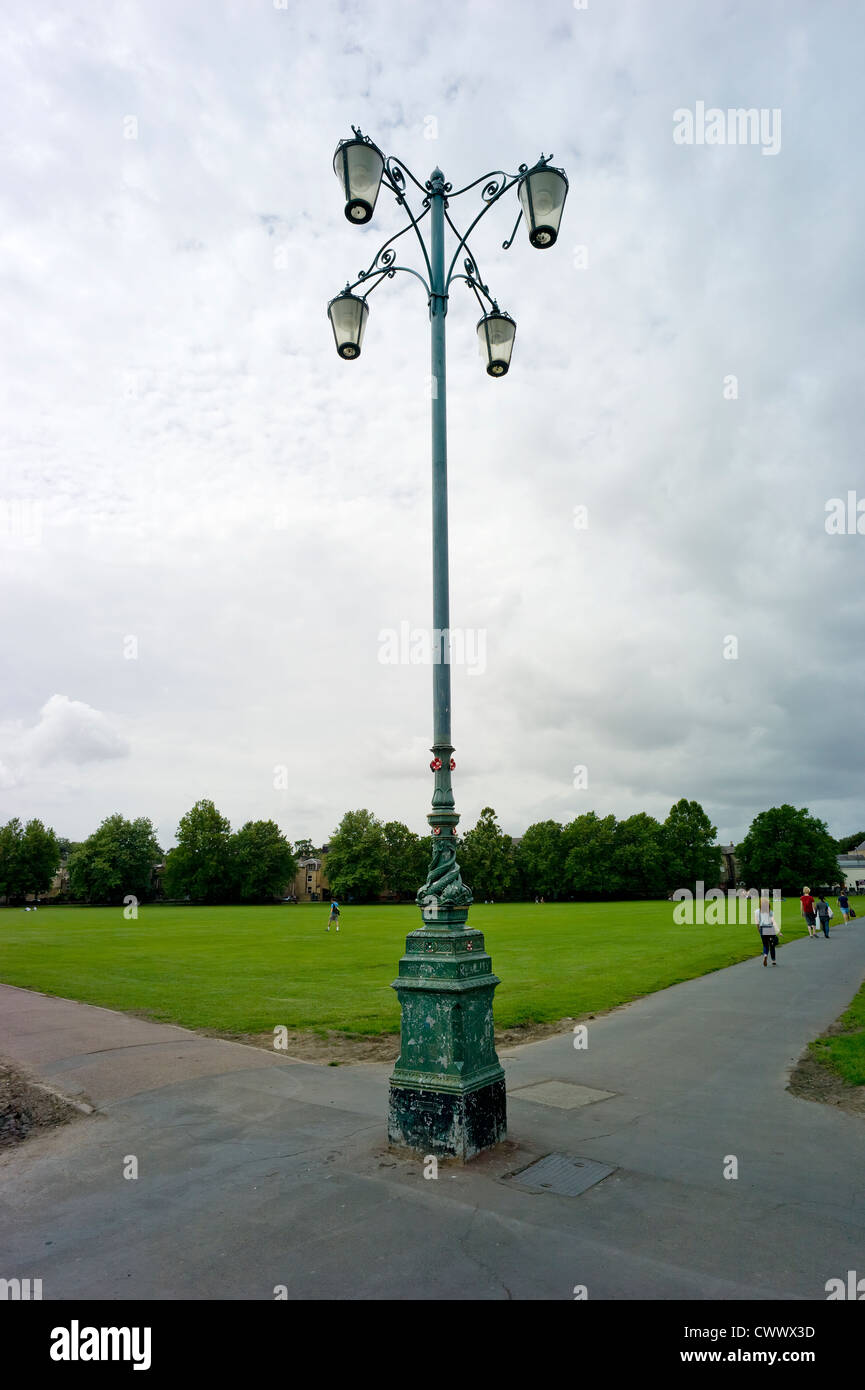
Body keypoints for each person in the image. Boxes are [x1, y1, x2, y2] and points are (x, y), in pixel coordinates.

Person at [757, 895, 781, 966]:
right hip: (770, 929)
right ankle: (773, 960)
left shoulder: (758, 912)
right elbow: (773, 922)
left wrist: (759, 929)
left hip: (762, 928)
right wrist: (778, 931)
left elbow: (757, 923)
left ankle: (765, 955)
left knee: (765, 945)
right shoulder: (770, 911)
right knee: (772, 945)